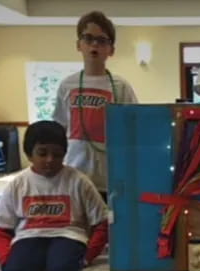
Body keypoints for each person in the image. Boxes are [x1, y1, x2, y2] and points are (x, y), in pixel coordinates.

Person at [0, 120, 109, 271]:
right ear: (29, 154)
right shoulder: (18, 183)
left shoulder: (79, 181)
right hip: (29, 237)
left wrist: (89, 255)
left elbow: (102, 222)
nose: (50, 160)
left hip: (69, 236)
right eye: (42, 153)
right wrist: (6, 258)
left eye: (57, 154)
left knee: (61, 270)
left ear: (65, 154)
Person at [53, 10, 138, 198]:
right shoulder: (68, 85)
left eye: (101, 40)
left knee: (108, 225)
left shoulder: (120, 86)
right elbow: (59, 127)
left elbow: (133, 129)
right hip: (75, 171)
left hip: (110, 176)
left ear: (111, 49)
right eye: (88, 38)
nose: (94, 45)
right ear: (79, 45)